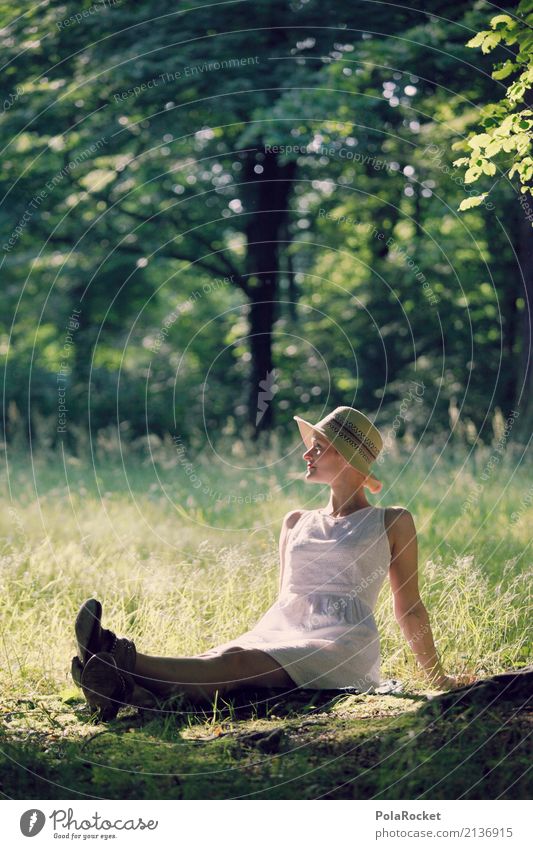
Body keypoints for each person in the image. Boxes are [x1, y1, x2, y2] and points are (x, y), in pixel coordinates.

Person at [72, 406, 474, 720]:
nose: (306, 453)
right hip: (283, 629)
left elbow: (409, 606)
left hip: (341, 643)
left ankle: (117, 656)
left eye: (318, 446)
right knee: (219, 659)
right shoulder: (296, 521)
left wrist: (437, 678)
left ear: (348, 458)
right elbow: (285, 600)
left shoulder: (392, 520)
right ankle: (118, 685)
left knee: (237, 663)